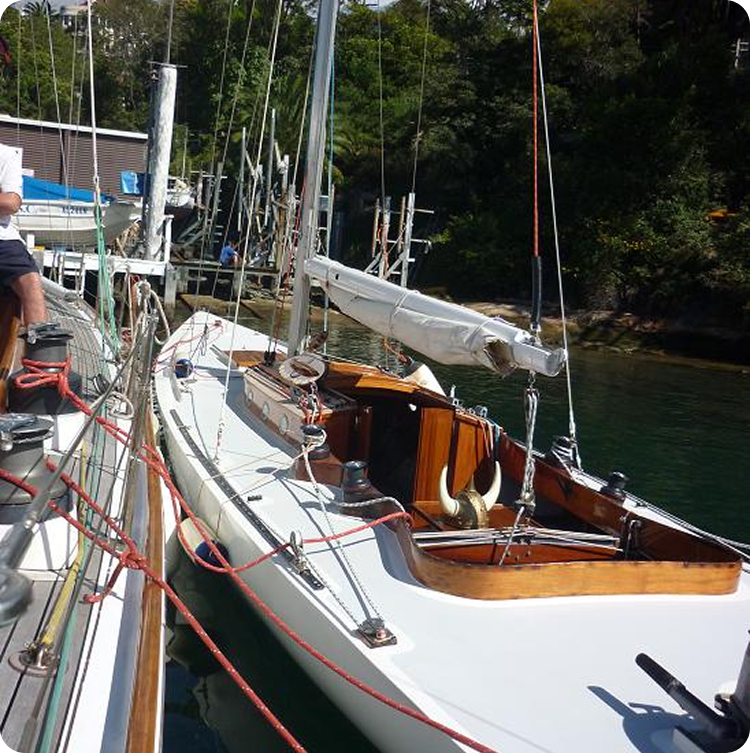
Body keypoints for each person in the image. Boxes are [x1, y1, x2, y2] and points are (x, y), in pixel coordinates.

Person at [0, 143, 47, 325]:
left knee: (30, 281)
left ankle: (40, 350)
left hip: (2, 239)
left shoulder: (5, 155)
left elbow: (11, 202)